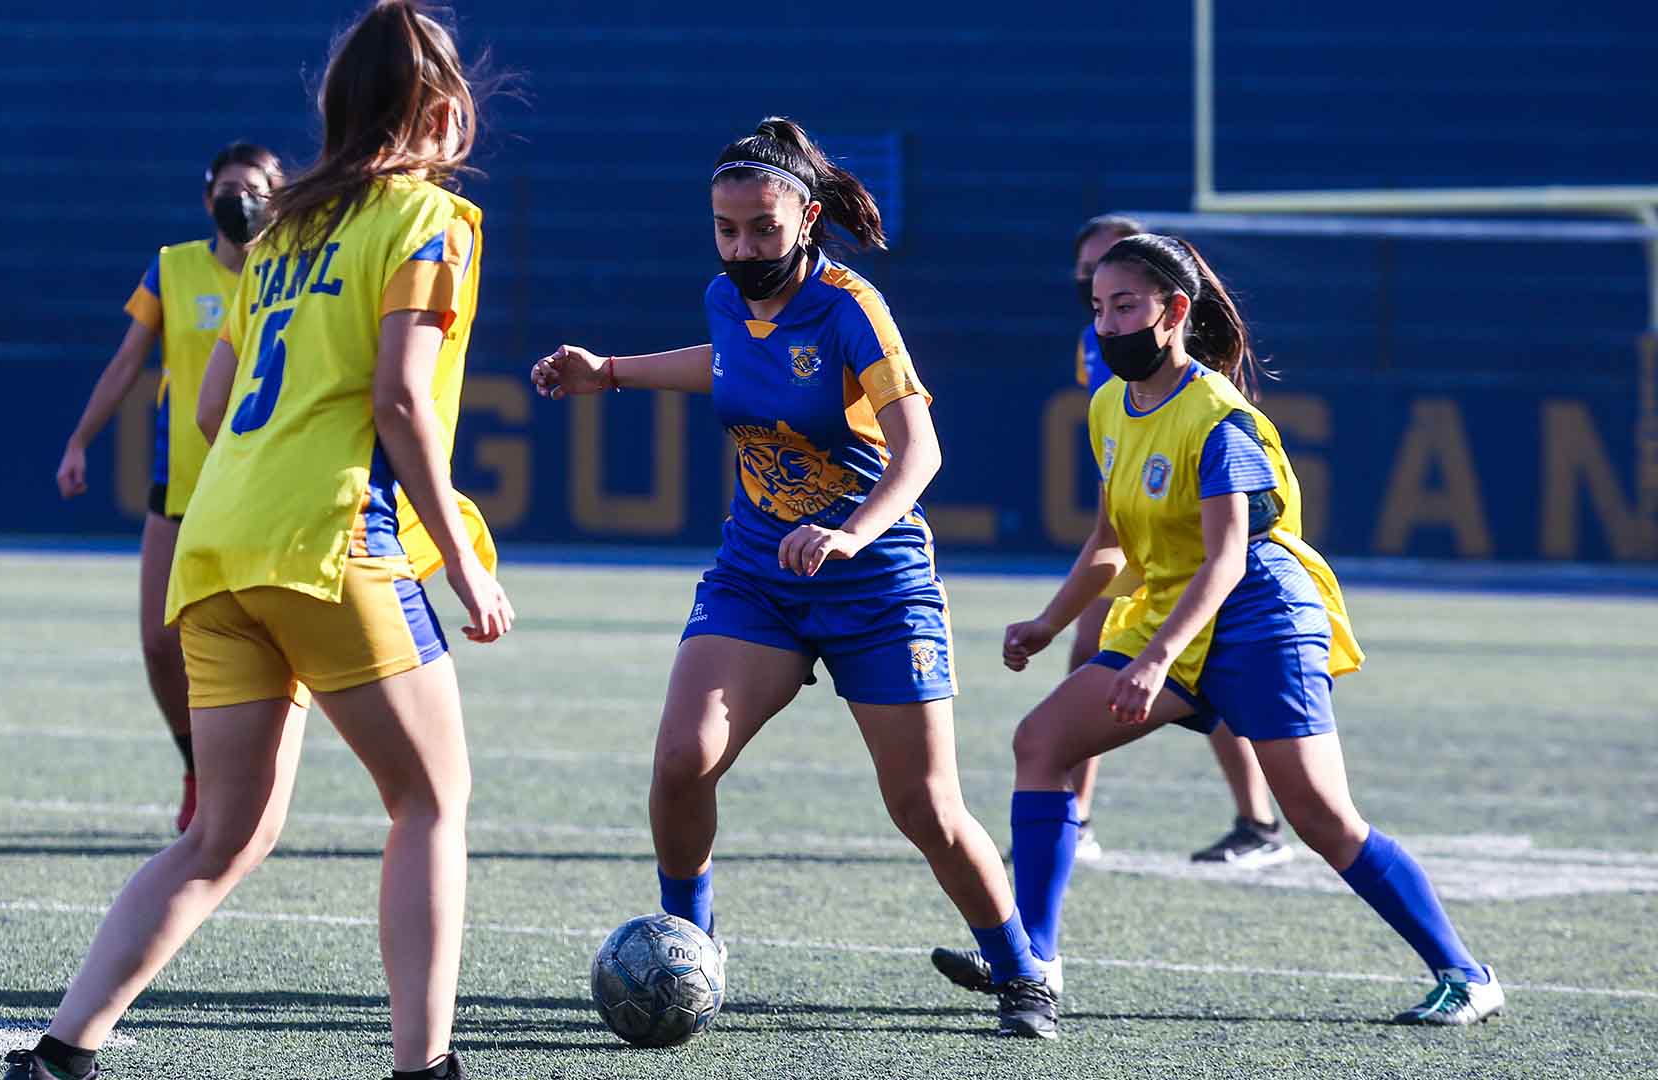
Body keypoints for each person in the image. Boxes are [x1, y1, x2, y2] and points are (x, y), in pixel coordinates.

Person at [5, 4, 510, 1078]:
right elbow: (402, 403)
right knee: (430, 802)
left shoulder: (280, 227)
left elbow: (212, 404)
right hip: (331, 539)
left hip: (219, 541)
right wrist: (462, 558)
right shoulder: (430, 219)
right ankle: (425, 1071)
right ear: (442, 105)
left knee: (220, 836)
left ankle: (60, 1053)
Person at [531, 116, 1053, 1037]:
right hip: (759, 572)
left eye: (762, 230)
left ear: (806, 217)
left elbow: (920, 450)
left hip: (875, 580)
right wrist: (609, 372)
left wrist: (850, 533)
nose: (742, 247)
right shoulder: (724, 299)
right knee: (681, 764)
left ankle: (1022, 971)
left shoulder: (852, 306)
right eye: (725, 230)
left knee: (924, 807)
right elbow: (733, 365)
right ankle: (691, 952)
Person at [934, 233, 1503, 1037]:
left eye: (1124, 306)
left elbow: (1231, 556)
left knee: (1322, 819)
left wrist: (1155, 658)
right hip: (1176, 609)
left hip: (1263, 617)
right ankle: (1035, 961)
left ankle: (1467, 975)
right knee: (1043, 742)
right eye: (1097, 307)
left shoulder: (1218, 416)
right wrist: (1049, 622)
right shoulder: (1108, 407)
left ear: (1174, 311)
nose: (1106, 324)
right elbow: (1109, 541)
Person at [54, 141, 283, 833]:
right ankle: (196, 769)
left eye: (252, 188)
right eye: (228, 187)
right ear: (207, 194)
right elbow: (128, 363)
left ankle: (250, 790)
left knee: (274, 650)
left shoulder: (288, 269)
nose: (237, 199)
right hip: (180, 485)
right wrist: (79, 440)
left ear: (276, 197)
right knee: (160, 644)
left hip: (259, 488)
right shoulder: (173, 267)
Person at [1062, 214, 1292, 869]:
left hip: (1189, 540)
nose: (1102, 303)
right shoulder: (1096, 345)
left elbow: (1192, 438)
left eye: (1119, 291)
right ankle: (1073, 819)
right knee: (1076, 681)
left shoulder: (1204, 397)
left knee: (1195, 679)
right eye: (1089, 283)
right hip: (1141, 525)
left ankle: (1258, 818)